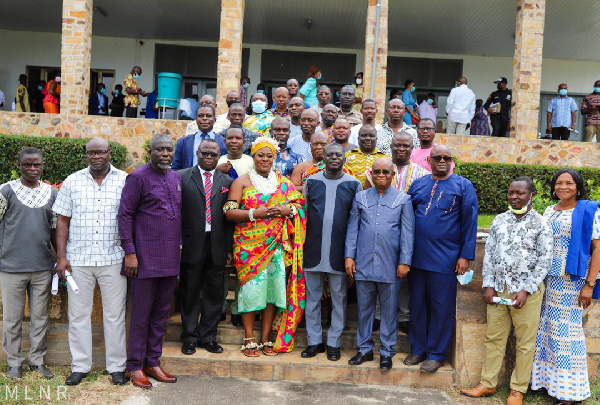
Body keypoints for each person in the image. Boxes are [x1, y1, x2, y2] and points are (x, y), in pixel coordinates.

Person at [460, 176, 552, 405]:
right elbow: (489, 254)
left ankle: (517, 390)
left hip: (526, 293)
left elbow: (544, 261)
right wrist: (489, 285)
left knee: (524, 342)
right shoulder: (499, 220)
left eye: (520, 193)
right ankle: (487, 384)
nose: (514, 196)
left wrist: (526, 290)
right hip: (500, 289)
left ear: (532, 195)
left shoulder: (541, 224)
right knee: (493, 338)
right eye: (511, 192)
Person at [53, 138, 128, 386]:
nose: (97, 156)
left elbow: (132, 217)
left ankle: (117, 367)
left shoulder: (125, 180)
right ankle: (80, 366)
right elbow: (62, 220)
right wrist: (61, 257)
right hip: (79, 260)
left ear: (109, 153)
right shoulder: (73, 181)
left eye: (101, 152)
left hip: (113, 258)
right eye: (92, 152)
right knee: (78, 316)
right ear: (86, 155)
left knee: (115, 316)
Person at [224, 137, 307, 355]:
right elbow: (229, 212)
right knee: (251, 291)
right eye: (260, 154)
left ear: (274, 157)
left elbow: (299, 204)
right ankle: (249, 337)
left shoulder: (282, 182)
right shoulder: (241, 182)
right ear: (253, 156)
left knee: (273, 292)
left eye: (269, 155)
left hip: (276, 246)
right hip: (248, 247)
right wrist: (254, 214)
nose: (265, 159)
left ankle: (266, 336)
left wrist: (286, 210)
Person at [404, 145, 478, 373]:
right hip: (417, 258)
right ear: (430, 160)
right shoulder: (418, 184)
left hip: (445, 260)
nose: (443, 161)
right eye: (438, 157)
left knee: (440, 307)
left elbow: (470, 222)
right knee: (417, 306)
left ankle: (436, 354)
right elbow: (406, 219)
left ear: (451, 160)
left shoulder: (463, 185)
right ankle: (418, 349)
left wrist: (465, 256)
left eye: (447, 157)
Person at [530, 169, 600, 404]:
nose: (563, 187)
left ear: (577, 186)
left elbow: (597, 248)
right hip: (548, 277)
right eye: (559, 183)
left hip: (572, 279)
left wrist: (589, 284)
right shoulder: (550, 210)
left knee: (566, 333)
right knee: (546, 329)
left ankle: (571, 391)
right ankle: (546, 382)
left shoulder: (589, 210)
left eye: (568, 183)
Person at [118, 134, 181, 389]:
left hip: (169, 258)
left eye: (169, 149)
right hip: (143, 258)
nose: (165, 153)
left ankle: (152, 362)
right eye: (160, 149)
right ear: (150, 152)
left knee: (161, 314)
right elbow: (125, 214)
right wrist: (130, 252)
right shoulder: (138, 177)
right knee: (141, 315)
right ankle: (134, 366)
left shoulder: (175, 177)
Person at [345, 157, 414, 371]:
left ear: (393, 174)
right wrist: (349, 256)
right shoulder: (361, 197)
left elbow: (407, 234)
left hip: (390, 265)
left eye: (385, 172)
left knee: (389, 310)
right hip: (364, 263)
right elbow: (353, 229)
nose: (381, 175)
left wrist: (404, 261)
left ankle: (386, 352)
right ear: (371, 174)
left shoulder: (403, 199)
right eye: (377, 172)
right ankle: (364, 349)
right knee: (365, 310)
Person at [0, 147, 57, 380]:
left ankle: (37, 361)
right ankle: (14, 363)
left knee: (40, 318)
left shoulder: (51, 193)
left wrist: (60, 257)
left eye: (37, 165)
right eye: (27, 165)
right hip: (11, 267)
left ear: (43, 166)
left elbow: (55, 229)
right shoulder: (6, 191)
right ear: (19, 165)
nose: (32, 169)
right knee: (12, 318)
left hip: (42, 267)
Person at [301, 143, 362, 361]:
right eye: (330, 154)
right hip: (313, 249)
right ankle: (314, 341)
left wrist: (351, 254)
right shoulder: (312, 181)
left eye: (338, 154)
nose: (334, 157)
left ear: (344, 159)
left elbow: (356, 222)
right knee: (312, 298)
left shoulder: (354, 184)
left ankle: (334, 343)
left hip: (340, 252)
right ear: (323, 158)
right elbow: (304, 215)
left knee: (339, 298)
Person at [365, 132, 429, 334]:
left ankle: (403, 316)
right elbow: (366, 197)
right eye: (397, 145)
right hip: (379, 230)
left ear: (412, 148)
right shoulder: (374, 170)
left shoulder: (422, 174)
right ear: (390, 146)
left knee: (403, 274)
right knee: (376, 270)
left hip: (407, 231)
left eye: (406, 146)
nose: (401, 149)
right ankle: (376, 315)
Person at [178, 138, 233, 356]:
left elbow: (229, 218)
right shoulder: (181, 177)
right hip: (190, 243)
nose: (209, 157)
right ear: (198, 154)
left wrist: (229, 248)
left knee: (214, 293)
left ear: (219, 156)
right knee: (190, 292)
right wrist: (179, 242)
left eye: (213, 154)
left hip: (217, 244)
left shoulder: (227, 182)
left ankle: (208, 337)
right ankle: (190, 337)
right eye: (205, 153)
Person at [172, 105, 227, 170]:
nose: (204, 118)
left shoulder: (223, 142)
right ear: (196, 119)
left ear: (214, 120)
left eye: (208, 116)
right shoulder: (183, 142)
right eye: (200, 116)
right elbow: (175, 168)